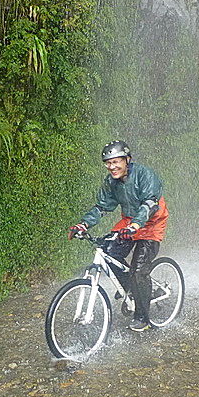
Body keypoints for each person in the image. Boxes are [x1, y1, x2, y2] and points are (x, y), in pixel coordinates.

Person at [67, 140, 169, 332]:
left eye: (116, 162)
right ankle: (131, 289)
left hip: (151, 223)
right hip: (129, 221)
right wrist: (83, 224)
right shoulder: (111, 181)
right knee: (109, 253)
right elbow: (102, 206)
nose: (111, 167)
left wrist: (136, 225)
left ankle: (143, 317)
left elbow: (149, 204)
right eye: (108, 163)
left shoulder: (145, 175)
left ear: (127, 160)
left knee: (139, 270)